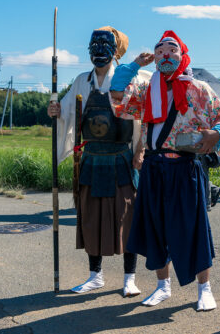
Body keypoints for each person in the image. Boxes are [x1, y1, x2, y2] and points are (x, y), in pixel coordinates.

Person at [109, 30, 220, 312]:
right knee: (155, 227)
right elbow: (117, 97)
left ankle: (205, 289)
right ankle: (162, 286)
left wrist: (216, 133)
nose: (165, 54)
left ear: (182, 55)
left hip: (186, 167)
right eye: (160, 50)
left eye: (171, 49)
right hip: (154, 167)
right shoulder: (145, 89)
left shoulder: (197, 88)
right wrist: (133, 66)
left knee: (193, 228)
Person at [47, 26, 148, 298]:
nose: (99, 51)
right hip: (91, 159)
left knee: (127, 219)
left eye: (105, 45)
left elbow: (143, 118)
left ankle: (129, 279)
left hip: (121, 159)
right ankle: (95, 276)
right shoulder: (82, 81)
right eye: (94, 46)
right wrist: (55, 111)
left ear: (116, 51)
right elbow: (68, 112)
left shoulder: (130, 78)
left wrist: (141, 149)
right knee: (90, 218)